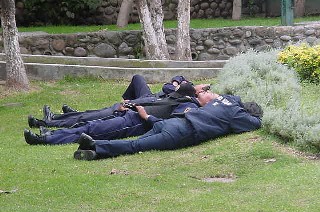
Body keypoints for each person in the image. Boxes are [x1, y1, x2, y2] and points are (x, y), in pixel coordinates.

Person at [72, 90, 263, 161]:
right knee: (135, 146)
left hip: (171, 123)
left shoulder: (224, 100)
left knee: (137, 143)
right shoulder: (236, 114)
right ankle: (95, 143)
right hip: (180, 133)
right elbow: (256, 124)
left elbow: (232, 97)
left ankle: (93, 152)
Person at [24, 83, 203, 145]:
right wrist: (132, 105)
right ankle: (50, 133)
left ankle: (45, 139)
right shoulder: (178, 97)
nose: (204, 90)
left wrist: (145, 116)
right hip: (128, 115)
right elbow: (166, 90)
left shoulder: (188, 106)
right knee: (87, 125)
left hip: (134, 123)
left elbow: (170, 124)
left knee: (91, 129)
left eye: (205, 91)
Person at [27, 74, 192, 128]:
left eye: (205, 89)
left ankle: (50, 121)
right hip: (149, 98)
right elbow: (170, 84)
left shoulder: (192, 98)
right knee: (138, 79)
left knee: (100, 115)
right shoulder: (191, 89)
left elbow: (167, 88)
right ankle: (70, 116)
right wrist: (177, 82)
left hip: (145, 106)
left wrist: (176, 86)